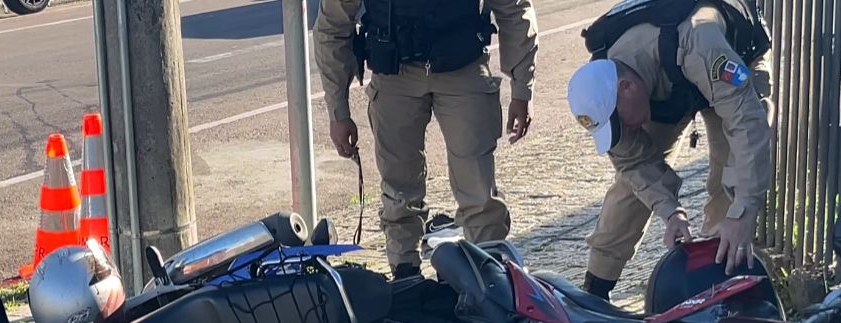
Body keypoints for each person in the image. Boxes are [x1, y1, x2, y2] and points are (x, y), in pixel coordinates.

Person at [313, 0, 539, 279]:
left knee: (479, 191)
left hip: (463, 68)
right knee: (399, 193)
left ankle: (489, 275)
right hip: (394, 75)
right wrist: (338, 111)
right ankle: (405, 277)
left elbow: (514, 9)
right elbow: (332, 27)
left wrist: (523, 89)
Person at [566, 0, 775, 301]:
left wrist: (742, 213)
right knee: (630, 190)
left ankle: (718, 281)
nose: (623, 131)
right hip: (668, 81)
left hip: (734, 60)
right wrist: (670, 211)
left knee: (731, 176)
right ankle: (596, 291)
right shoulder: (606, 87)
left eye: (619, 122)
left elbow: (747, 123)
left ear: (627, 87)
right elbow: (633, 163)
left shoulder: (698, 43)